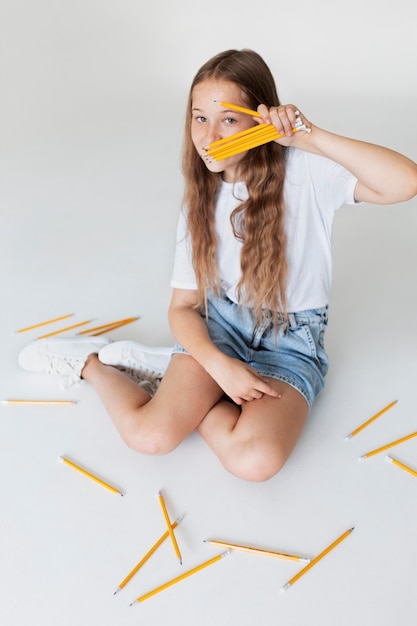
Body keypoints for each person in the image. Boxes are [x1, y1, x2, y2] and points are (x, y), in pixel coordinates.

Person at [18, 49, 417, 482]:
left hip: (292, 344)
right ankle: (92, 362)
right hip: (220, 329)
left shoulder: (308, 171)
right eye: (198, 118)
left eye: (227, 119)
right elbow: (182, 307)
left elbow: (405, 182)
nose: (209, 136)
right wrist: (218, 366)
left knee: (255, 462)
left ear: (257, 120)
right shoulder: (200, 200)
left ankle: (177, 381)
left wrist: (310, 136)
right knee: (150, 437)